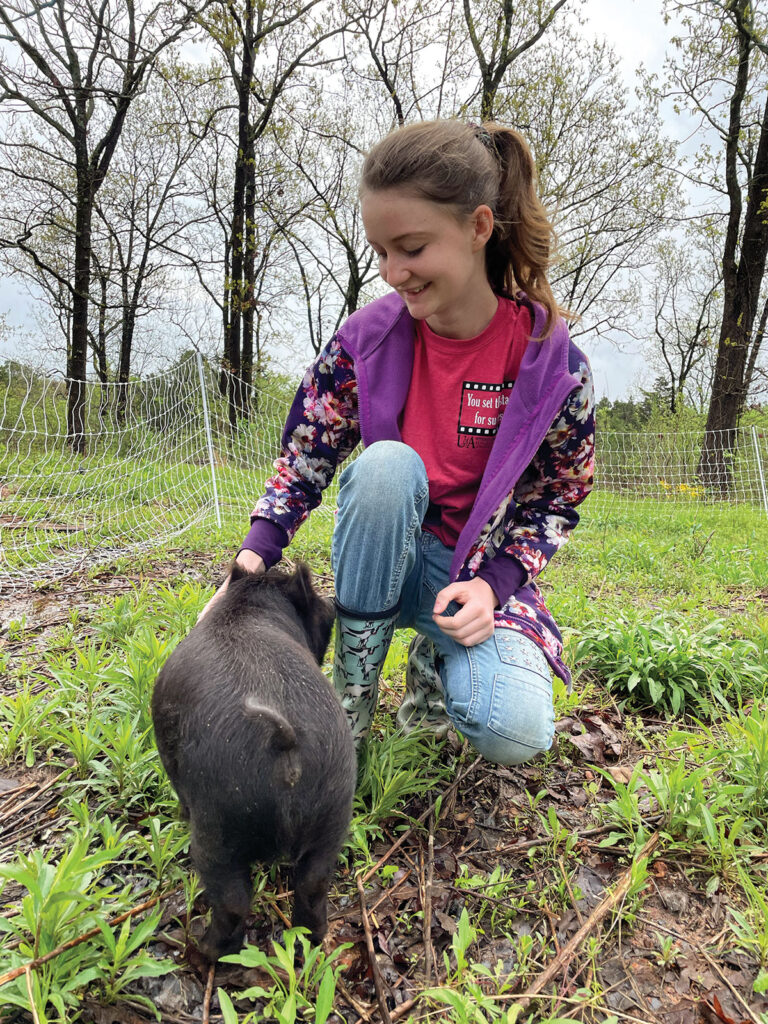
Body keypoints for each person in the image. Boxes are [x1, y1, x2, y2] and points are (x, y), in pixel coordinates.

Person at [204, 119, 595, 766]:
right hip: (390, 558)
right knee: (386, 467)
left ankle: (434, 671)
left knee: (515, 729)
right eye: (380, 251)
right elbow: (306, 456)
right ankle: (347, 712)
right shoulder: (366, 339)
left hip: (473, 577)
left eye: (410, 248)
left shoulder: (553, 366)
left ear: (476, 228)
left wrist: (495, 586)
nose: (392, 272)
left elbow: (559, 497)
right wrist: (248, 563)